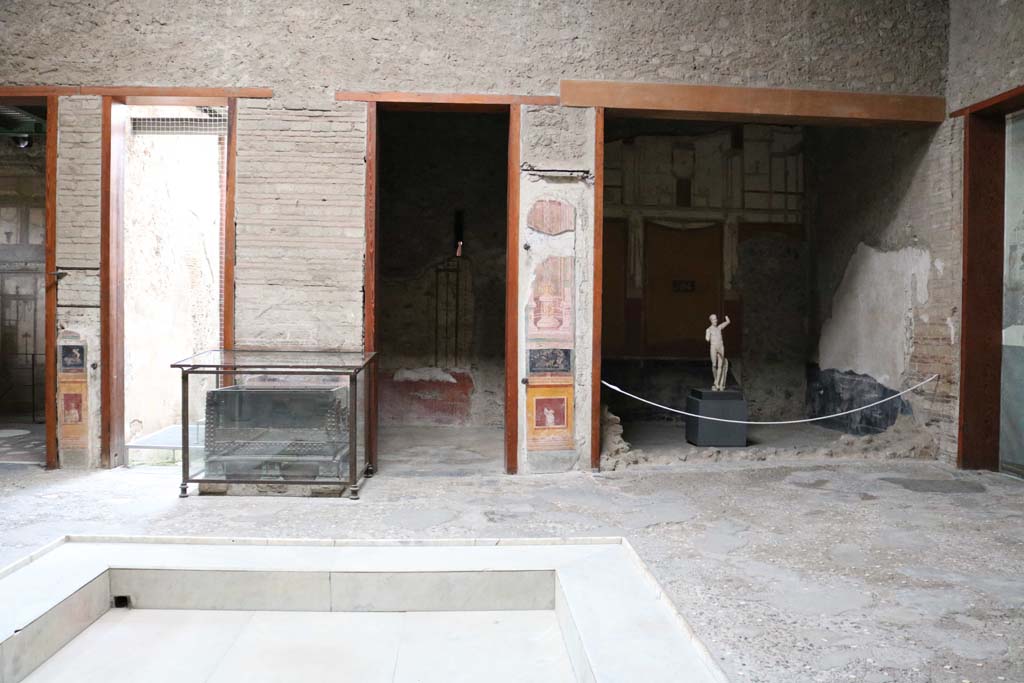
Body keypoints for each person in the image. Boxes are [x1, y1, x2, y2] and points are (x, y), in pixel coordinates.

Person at [705, 314, 731, 391]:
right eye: (713, 319)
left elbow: (728, 322)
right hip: (713, 347)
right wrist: (707, 336)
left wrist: (726, 317)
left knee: (720, 365)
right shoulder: (709, 329)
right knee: (714, 365)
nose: (715, 320)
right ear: (711, 321)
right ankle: (716, 381)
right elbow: (707, 338)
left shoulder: (719, 328)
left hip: (721, 347)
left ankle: (717, 383)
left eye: (716, 319)